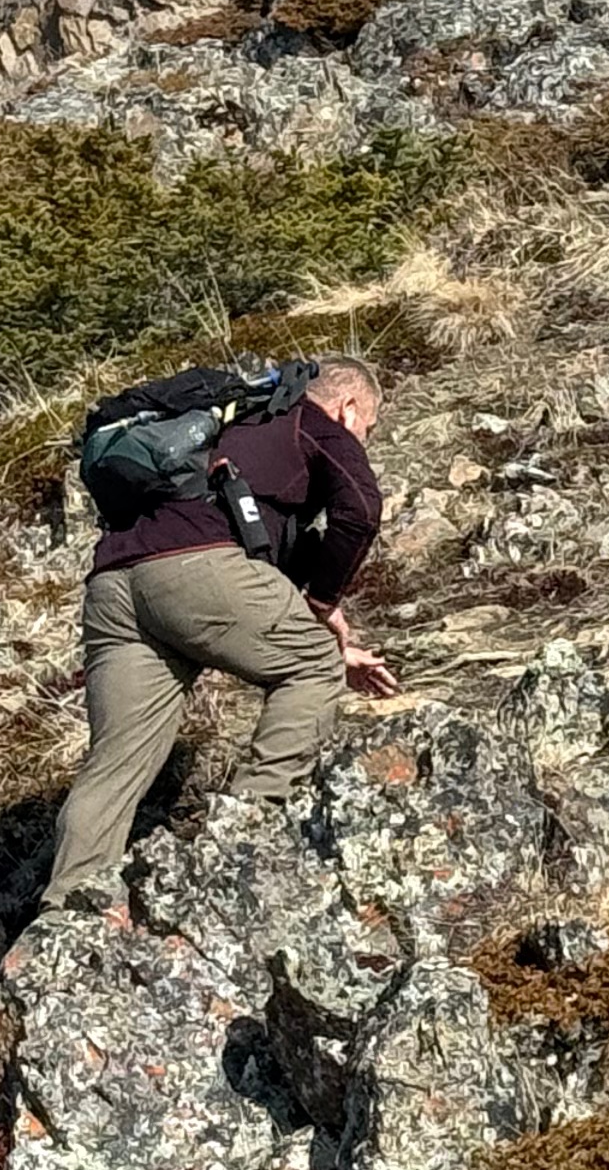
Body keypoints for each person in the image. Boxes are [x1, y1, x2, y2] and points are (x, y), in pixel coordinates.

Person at [35, 354, 396, 929]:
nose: (363, 437)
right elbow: (360, 510)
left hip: (114, 586)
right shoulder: (315, 420)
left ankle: (66, 919)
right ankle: (243, 839)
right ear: (349, 406)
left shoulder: (225, 425)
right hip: (195, 572)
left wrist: (328, 625)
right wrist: (322, 612)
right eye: (368, 427)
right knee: (310, 668)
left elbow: (261, 538)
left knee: (116, 764)